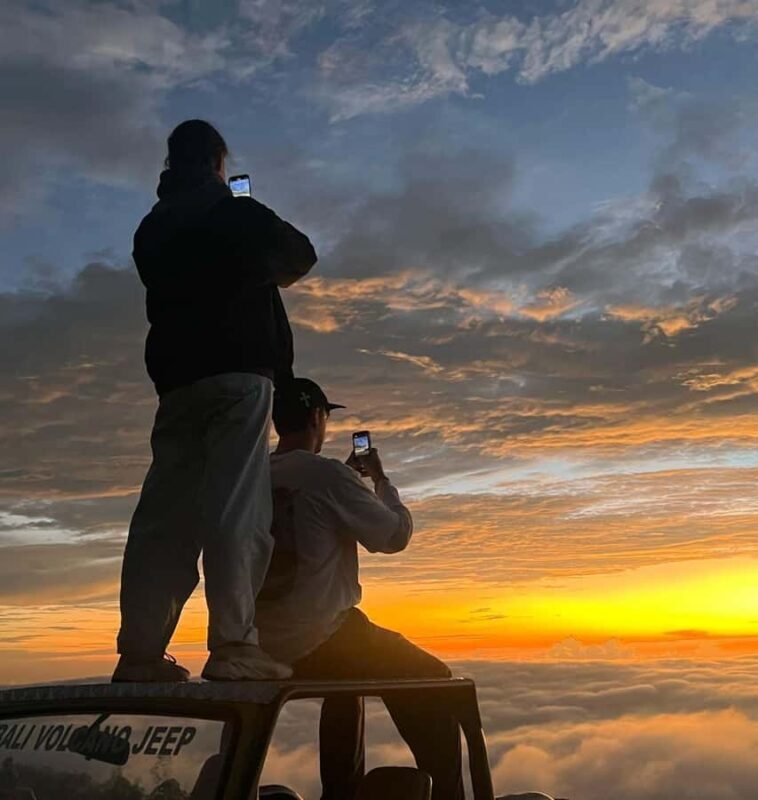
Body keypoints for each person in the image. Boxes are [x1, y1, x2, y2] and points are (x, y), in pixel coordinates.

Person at [113, 120, 317, 683]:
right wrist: (246, 208)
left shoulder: (151, 227)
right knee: (237, 512)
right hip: (238, 378)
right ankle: (233, 646)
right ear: (217, 163)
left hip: (177, 383)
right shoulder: (234, 212)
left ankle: (140, 654)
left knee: (164, 519)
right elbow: (301, 255)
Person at [255, 378, 464, 800]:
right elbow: (393, 536)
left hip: (256, 643)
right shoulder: (327, 475)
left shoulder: (253, 474)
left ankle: (342, 793)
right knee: (435, 681)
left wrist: (345, 482)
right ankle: (447, 795)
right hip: (318, 639)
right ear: (318, 418)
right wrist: (382, 482)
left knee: (347, 683)